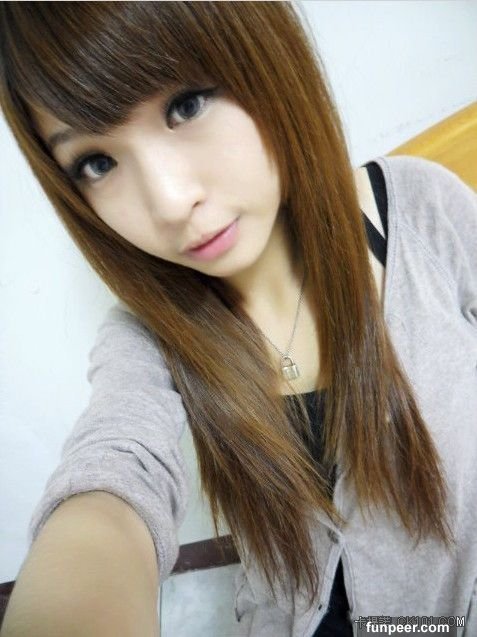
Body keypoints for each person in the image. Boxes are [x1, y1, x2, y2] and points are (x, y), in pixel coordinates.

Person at [0, 2, 476, 636]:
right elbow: (117, 468)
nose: (171, 202)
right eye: (97, 163)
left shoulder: (422, 213)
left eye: (187, 105)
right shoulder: (148, 336)